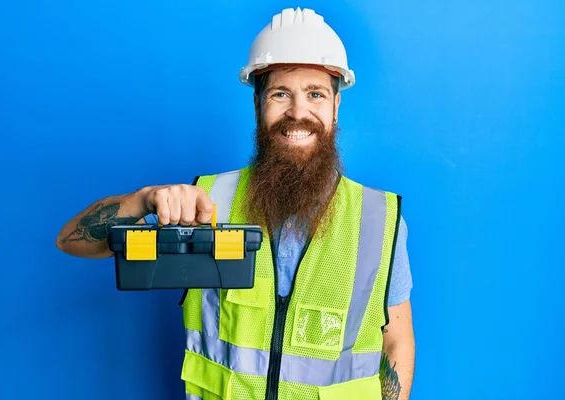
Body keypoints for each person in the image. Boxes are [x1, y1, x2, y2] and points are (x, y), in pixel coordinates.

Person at [56, 7, 415, 400]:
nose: (298, 112)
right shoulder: (204, 204)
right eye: (281, 94)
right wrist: (144, 200)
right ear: (258, 104)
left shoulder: (379, 219)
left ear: (335, 106)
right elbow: (72, 242)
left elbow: (395, 342)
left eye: (315, 94)